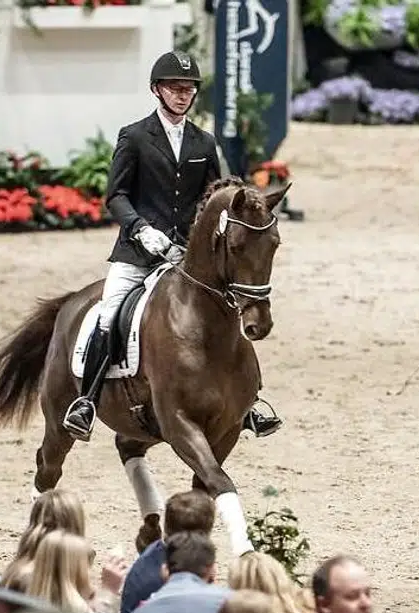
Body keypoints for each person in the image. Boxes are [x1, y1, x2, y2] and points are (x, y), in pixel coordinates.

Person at [61, 50, 283, 443]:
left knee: (227, 317)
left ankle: (248, 403)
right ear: (157, 90)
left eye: (189, 89)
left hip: (187, 256)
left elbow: (215, 194)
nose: (183, 95)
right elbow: (116, 195)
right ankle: (88, 403)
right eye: (175, 88)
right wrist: (141, 229)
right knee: (109, 315)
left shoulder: (203, 140)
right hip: (138, 252)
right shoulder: (134, 136)